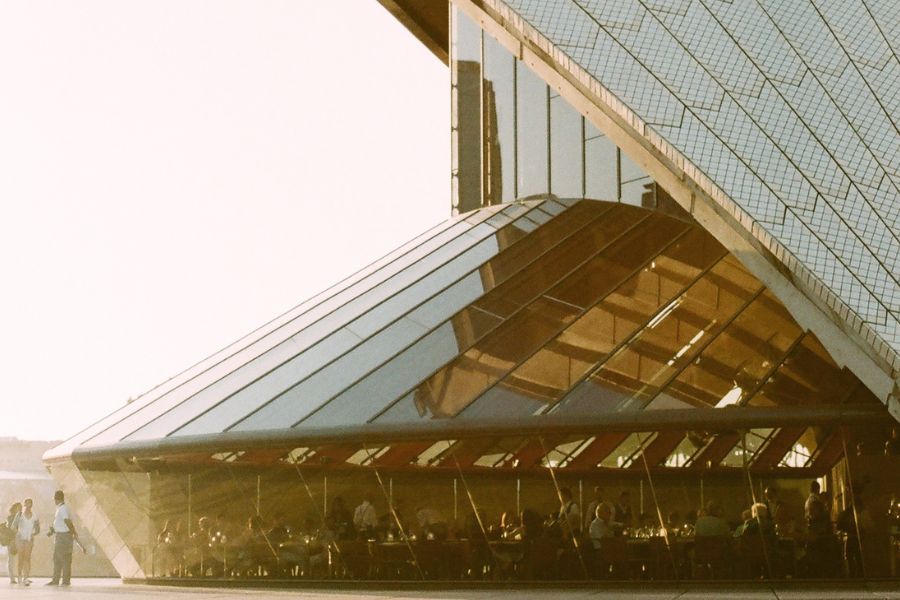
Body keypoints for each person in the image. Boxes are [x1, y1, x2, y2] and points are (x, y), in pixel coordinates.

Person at [47, 490, 80, 586]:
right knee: (64, 558)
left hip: (63, 536)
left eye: (55, 499)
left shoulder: (62, 509)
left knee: (60, 558)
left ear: (58, 499)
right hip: (62, 535)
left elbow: (67, 521)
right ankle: (63, 580)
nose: (54, 501)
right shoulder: (62, 508)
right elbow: (62, 522)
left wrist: (73, 532)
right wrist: (53, 529)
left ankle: (58, 580)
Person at [15, 499, 39, 586]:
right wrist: (18, 534)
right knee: (20, 558)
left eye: (30, 504)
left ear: (32, 505)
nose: (28, 506)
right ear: (24, 504)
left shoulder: (35, 515)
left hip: (29, 540)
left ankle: (26, 578)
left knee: (27, 558)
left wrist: (33, 534)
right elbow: (13, 526)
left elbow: (38, 529)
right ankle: (19, 576)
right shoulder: (19, 514)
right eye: (26, 504)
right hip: (20, 540)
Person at [6, 502, 21, 584]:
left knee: (20, 559)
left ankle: (20, 577)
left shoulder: (21, 517)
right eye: (18, 508)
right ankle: (12, 578)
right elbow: (10, 530)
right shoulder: (11, 518)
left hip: (19, 540)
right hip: (12, 540)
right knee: (11, 559)